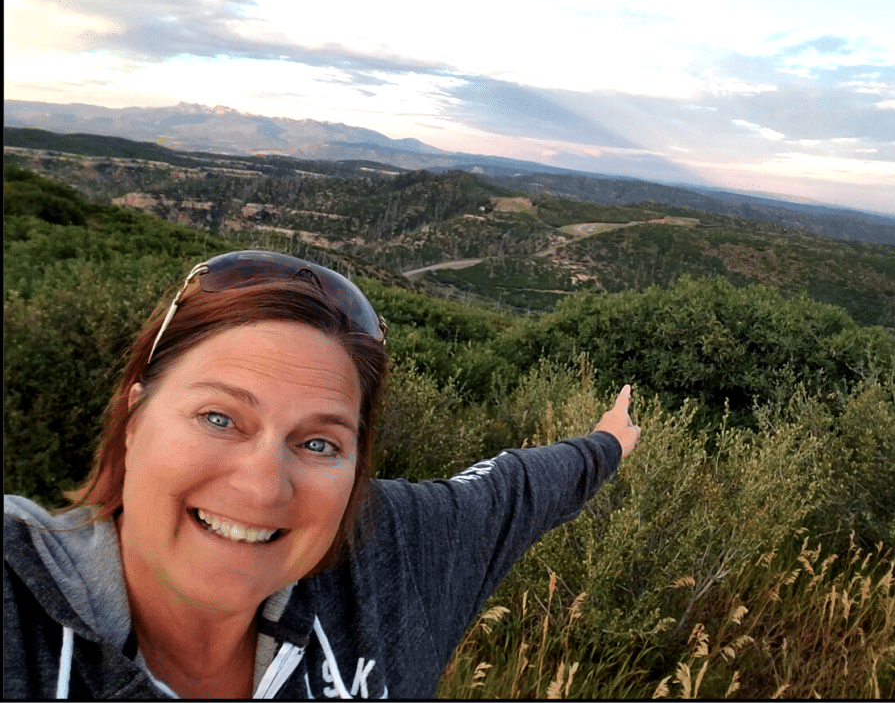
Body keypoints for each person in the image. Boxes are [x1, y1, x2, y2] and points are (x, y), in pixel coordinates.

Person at [4, 249, 640, 699]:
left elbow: (514, 492)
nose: (262, 488)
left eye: (317, 442)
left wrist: (608, 443)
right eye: (220, 418)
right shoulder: (23, 604)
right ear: (134, 416)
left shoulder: (392, 559)